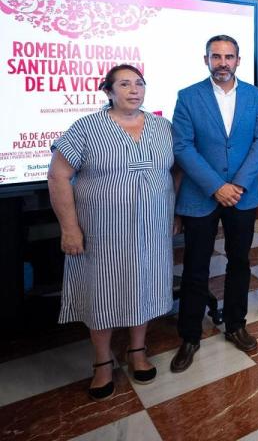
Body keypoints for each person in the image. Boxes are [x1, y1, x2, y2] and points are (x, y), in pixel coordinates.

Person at [47, 65, 174, 400]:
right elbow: (58, 176)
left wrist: (171, 210)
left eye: (139, 83)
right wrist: (69, 228)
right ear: (108, 91)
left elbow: (175, 171)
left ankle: (137, 351)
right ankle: (102, 362)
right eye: (124, 84)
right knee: (100, 294)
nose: (133, 90)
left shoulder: (162, 127)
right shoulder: (87, 127)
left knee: (142, 286)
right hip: (102, 235)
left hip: (151, 233)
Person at [171, 35, 258, 372]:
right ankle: (189, 336)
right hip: (201, 195)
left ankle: (236, 324)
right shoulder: (188, 97)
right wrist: (216, 187)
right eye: (216, 57)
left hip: (242, 196)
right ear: (206, 60)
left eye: (229, 57)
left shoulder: (255, 96)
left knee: (239, 262)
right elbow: (183, 147)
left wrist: (237, 184)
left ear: (238, 61)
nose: (223, 63)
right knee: (195, 267)